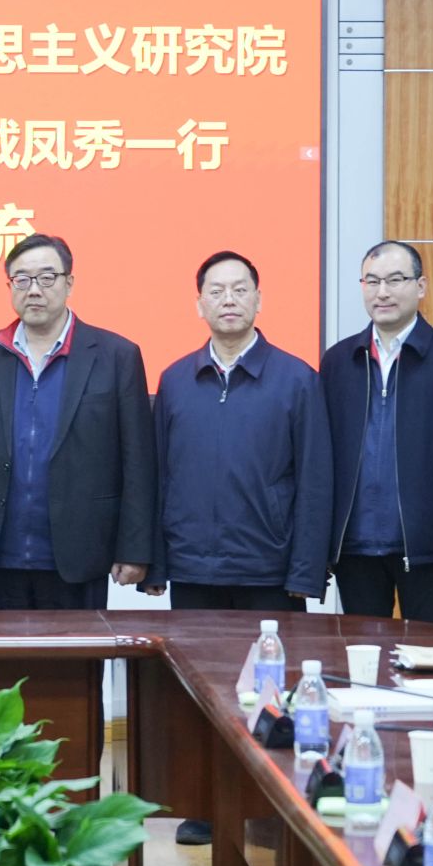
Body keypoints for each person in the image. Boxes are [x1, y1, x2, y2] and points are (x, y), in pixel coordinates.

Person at [0, 233, 155, 610]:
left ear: (69, 283)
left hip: (82, 551)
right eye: (22, 279)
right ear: (10, 286)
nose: (34, 290)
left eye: (47, 278)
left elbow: (137, 460)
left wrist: (135, 547)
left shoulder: (116, 355)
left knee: (77, 651)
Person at [148, 250, 332, 613]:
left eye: (240, 290)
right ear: (199, 305)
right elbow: (158, 476)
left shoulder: (297, 380)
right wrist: (155, 564)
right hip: (191, 569)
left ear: (258, 300)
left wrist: (306, 572)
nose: (229, 300)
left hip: (268, 570)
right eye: (216, 291)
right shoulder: (175, 380)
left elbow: (316, 481)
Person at [322, 241, 433, 625]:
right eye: (372, 281)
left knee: (429, 655)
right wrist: (320, 546)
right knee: (361, 654)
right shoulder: (339, 361)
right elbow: (322, 461)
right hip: (355, 546)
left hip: (427, 548)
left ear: (420, 286)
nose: (382, 292)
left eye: (395, 280)